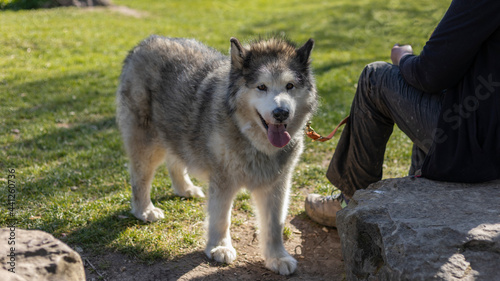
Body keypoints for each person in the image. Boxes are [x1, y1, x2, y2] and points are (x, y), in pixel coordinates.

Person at [305, 0, 500, 227]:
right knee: (446, 97)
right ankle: (418, 193)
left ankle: (351, 204)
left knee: (375, 77)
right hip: (485, 134)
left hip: (476, 146)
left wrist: (403, 58)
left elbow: (429, 74)